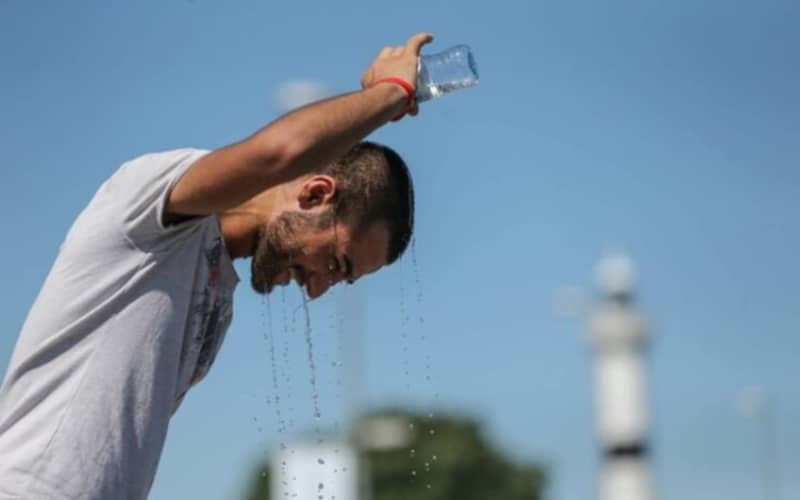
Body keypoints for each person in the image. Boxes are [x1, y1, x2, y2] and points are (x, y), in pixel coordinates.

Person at [0, 32, 433, 500]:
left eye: (340, 279)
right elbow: (278, 154)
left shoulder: (217, 295)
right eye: (335, 262)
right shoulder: (154, 210)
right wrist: (390, 94)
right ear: (315, 194)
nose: (317, 290)